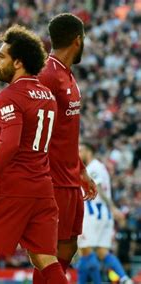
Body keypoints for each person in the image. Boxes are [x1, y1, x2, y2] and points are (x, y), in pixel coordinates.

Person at [0, 25, 66, 283]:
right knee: (45, 259)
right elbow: (25, 136)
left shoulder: (10, 94)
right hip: (41, 189)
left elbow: (10, 145)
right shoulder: (47, 95)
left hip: (10, 188)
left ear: (18, 62)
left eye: (1, 56)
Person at [33, 13, 98, 282]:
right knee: (49, 251)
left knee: (69, 248)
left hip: (71, 177)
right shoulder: (48, 75)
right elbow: (35, 125)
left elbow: (67, 135)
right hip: (54, 178)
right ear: (77, 40)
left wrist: (82, 171)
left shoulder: (67, 76)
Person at [77, 143, 132, 284]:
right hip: (104, 215)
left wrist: (113, 207)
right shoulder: (101, 167)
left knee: (85, 252)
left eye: (80, 149)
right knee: (102, 252)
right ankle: (125, 279)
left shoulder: (92, 167)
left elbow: (98, 187)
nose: (78, 152)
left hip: (93, 214)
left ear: (89, 152)